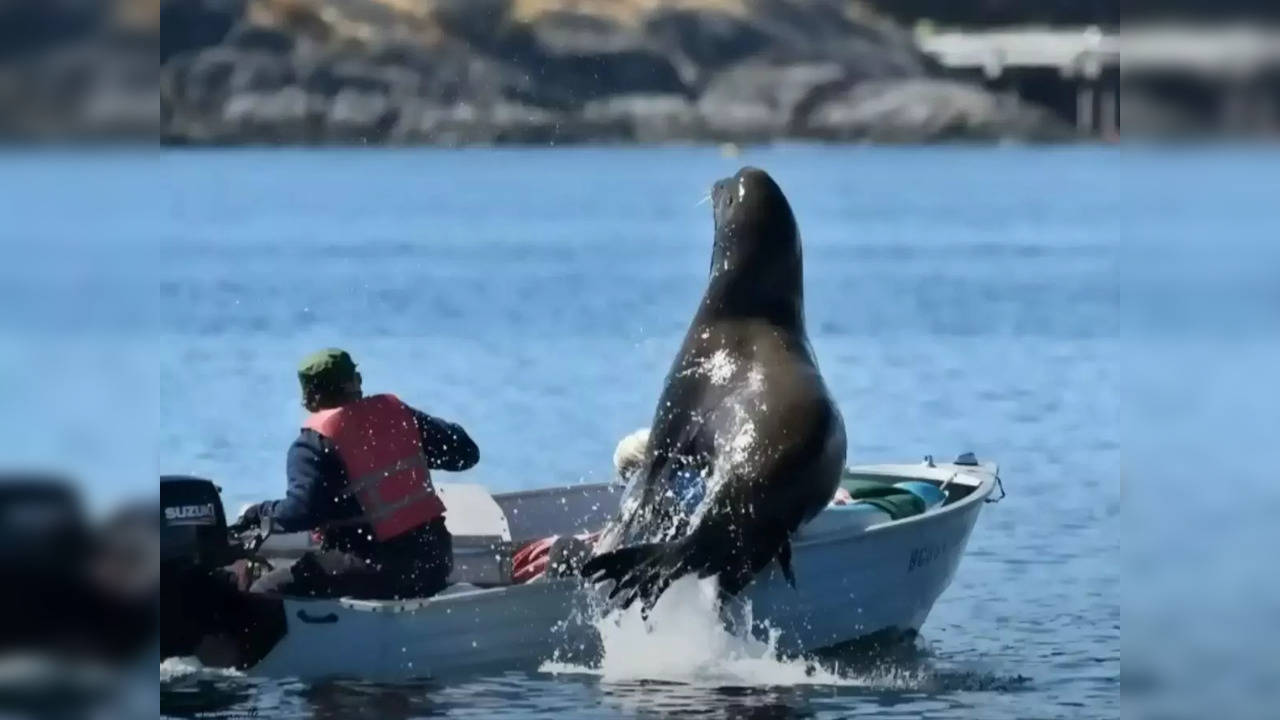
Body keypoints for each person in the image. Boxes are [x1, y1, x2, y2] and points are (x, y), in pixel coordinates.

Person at [238, 348, 479, 600]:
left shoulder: (313, 444)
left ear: (309, 398)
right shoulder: (399, 415)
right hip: (433, 561)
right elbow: (465, 452)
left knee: (263, 591)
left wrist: (259, 513)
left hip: (372, 567)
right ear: (357, 382)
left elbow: (301, 513)